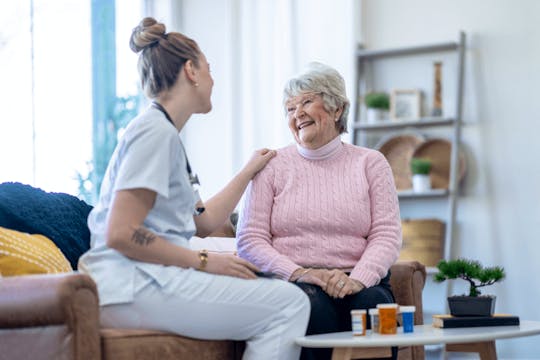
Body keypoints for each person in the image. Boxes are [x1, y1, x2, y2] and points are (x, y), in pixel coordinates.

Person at [78, 17, 310, 360]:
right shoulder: (154, 133)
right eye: (209, 69)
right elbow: (121, 233)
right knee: (288, 304)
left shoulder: (164, 134)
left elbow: (202, 221)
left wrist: (248, 172)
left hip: (140, 281)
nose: (213, 80)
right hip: (130, 284)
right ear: (191, 70)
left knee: (277, 294)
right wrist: (203, 261)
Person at [236, 62, 402, 360]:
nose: (296, 113)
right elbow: (249, 240)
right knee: (311, 306)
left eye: (307, 102)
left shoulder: (370, 162)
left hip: (358, 278)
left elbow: (386, 234)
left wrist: (358, 278)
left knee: (371, 304)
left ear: (337, 109)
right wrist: (300, 273)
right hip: (296, 281)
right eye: (289, 108)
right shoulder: (271, 166)